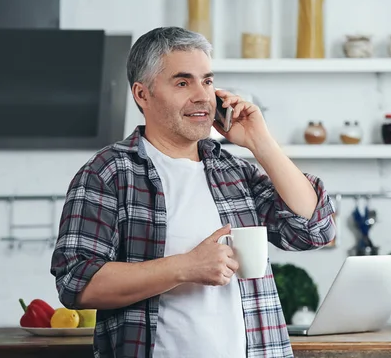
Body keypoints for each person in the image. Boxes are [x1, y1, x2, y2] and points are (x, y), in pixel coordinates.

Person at [50, 27, 336, 358]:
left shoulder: (231, 170)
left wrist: (260, 142)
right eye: (183, 82)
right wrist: (185, 267)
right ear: (143, 95)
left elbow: (313, 229)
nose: (203, 96)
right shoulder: (108, 172)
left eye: (208, 81)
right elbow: (77, 283)